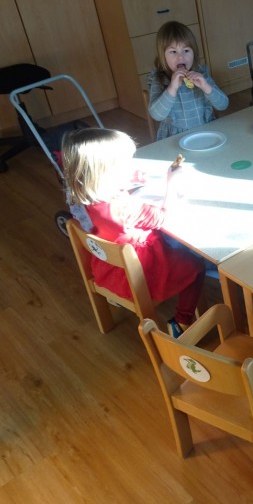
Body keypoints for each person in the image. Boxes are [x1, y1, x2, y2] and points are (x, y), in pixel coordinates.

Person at [62, 128, 206, 335]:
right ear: (107, 172)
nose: (129, 166)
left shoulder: (81, 197)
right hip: (141, 270)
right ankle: (182, 322)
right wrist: (171, 184)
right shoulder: (123, 207)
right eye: (124, 164)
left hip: (109, 268)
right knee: (196, 266)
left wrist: (131, 179)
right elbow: (163, 217)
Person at [147, 21, 229, 141]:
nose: (181, 57)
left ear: (193, 53)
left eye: (186, 50)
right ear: (163, 56)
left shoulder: (201, 74)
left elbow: (223, 105)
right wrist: (172, 88)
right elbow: (157, 115)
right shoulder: (159, 79)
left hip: (205, 131)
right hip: (173, 138)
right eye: (173, 52)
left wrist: (206, 87)